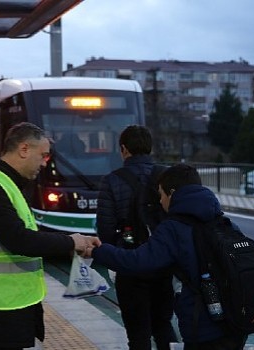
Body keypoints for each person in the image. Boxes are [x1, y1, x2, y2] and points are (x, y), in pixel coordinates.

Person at [0, 122, 101, 349]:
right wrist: (70, 240)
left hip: (4, 307)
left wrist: (69, 244)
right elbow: (19, 239)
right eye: (43, 155)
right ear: (24, 149)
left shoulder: (7, 184)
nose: (45, 163)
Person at [90, 164, 248, 350]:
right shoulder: (226, 223)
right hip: (237, 320)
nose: (161, 201)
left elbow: (138, 262)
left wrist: (97, 250)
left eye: (161, 195)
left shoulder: (174, 228)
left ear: (171, 193)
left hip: (203, 326)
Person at [96, 125, 177, 350]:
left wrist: (117, 252)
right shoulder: (167, 176)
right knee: (163, 324)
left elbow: (105, 229)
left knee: (138, 333)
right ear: (149, 148)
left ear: (123, 149)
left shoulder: (112, 181)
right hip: (163, 264)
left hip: (129, 265)